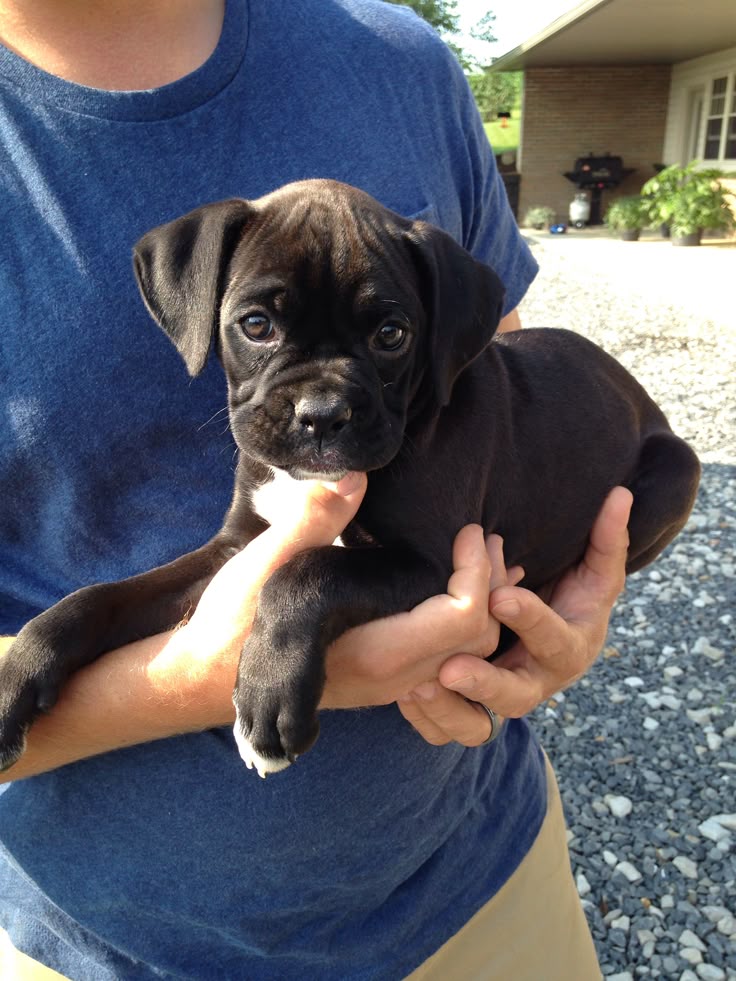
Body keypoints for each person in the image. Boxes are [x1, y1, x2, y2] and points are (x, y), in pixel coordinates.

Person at [0, 1, 631, 977]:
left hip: (469, 879)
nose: (321, 407)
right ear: (196, 299)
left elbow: (500, 422)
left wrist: (552, 606)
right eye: (262, 328)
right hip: (105, 946)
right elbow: (226, 571)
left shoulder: (395, 61)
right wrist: (165, 674)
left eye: (384, 339)